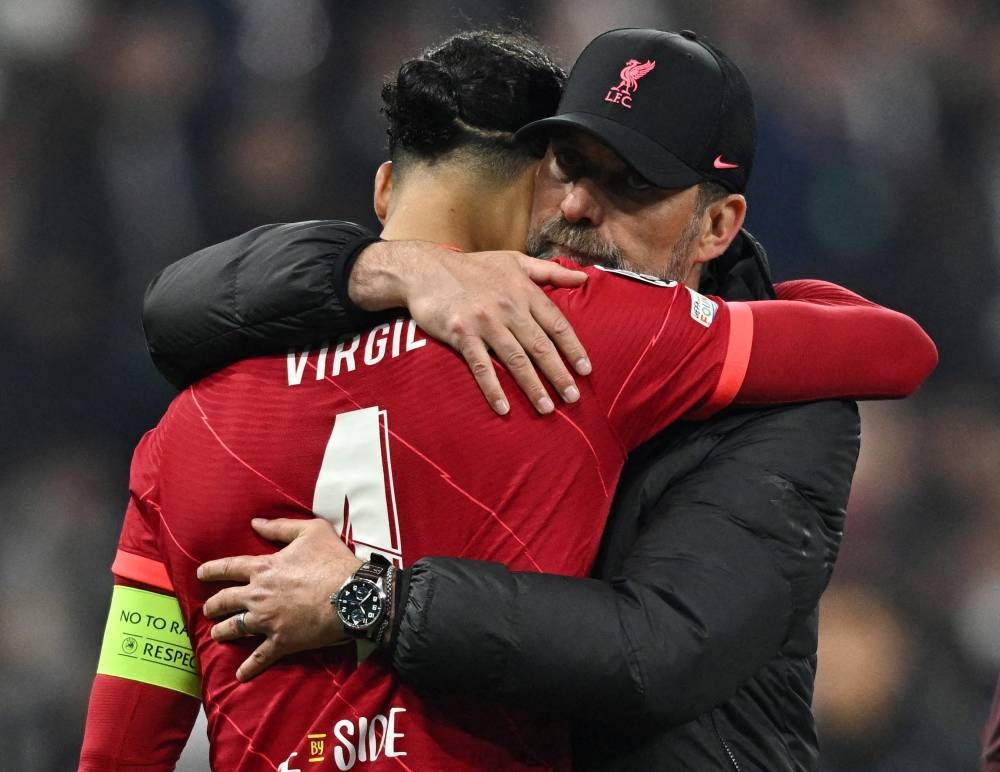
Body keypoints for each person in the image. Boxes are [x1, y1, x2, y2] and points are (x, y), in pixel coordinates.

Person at [98, 29, 937, 771]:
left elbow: (658, 652)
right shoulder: (581, 326)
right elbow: (896, 345)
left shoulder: (181, 431)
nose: (576, 207)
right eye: (566, 169)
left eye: (630, 184)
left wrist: (369, 599)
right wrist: (401, 270)